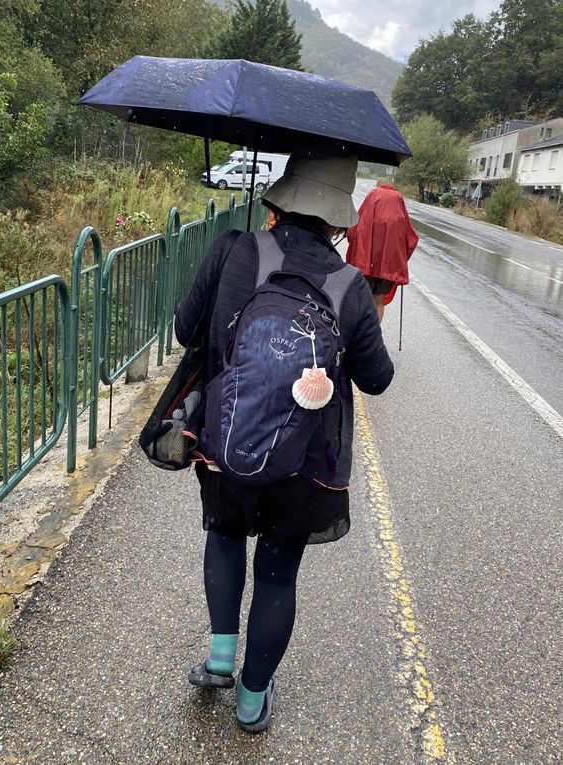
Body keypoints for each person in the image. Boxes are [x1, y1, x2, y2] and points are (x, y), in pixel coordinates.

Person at [174, 152, 394, 733]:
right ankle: (251, 698)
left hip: (227, 442)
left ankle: (220, 656)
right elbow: (377, 378)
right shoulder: (348, 286)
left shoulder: (233, 250)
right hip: (304, 463)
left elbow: (183, 329)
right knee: (277, 571)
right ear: (338, 220)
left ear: (279, 199)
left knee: (223, 535)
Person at [346, 183, 418, 322]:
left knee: (361, 299)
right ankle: (372, 336)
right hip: (388, 266)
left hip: (366, 264)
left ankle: (356, 336)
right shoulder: (398, 201)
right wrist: (398, 259)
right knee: (378, 301)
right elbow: (411, 240)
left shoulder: (373, 196)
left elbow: (353, 231)